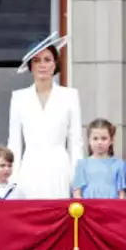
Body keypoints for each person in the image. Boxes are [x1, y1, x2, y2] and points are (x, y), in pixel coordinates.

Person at [7, 32, 83, 199]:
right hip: (30, 167)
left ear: (55, 64)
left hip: (59, 167)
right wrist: (13, 179)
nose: (42, 65)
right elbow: (14, 142)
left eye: (47, 60)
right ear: (30, 66)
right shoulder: (19, 97)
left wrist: (76, 180)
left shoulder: (70, 96)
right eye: (37, 60)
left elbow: (75, 142)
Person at [73, 118, 126, 199]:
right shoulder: (82, 164)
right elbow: (77, 193)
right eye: (95, 138)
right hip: (89, 208)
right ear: (89, 140)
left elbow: (122, 194)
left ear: (111, 141)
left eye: (104, 138)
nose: (99, 142)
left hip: (111, 208)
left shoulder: (118, 164)